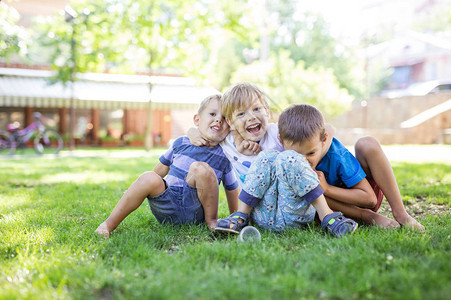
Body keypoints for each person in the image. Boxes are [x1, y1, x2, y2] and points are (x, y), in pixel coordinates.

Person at [190, 83, 358, 238]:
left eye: (256, 109)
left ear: (267, 112)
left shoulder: (278, 132)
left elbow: (327, 129)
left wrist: (308, 158)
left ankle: (327, 217)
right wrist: (192, 132)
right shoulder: (227, 142)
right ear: (230, 123)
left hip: (295, 209)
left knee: (280, 156)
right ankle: (241, 216)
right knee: (267, 157)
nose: (251, 117)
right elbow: (204, 132)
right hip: (261, 216)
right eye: (241, 114)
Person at [95, 95, 239, 237]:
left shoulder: (226, 154)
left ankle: (212, 222)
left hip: (196, 208)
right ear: (197, 119)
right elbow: (158, 171)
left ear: (230, 127)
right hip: (167, 204)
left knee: (199, 168)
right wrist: (138, 188)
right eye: (212, 114)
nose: (218, 119)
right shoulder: (181, 143)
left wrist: (235, 218)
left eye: (224, 118)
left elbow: (231, 189)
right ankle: (108, 224)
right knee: (148, 176)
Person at [276, 104, 425, 231]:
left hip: (359, 199)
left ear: (324, 140)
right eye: (296, 155)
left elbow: (370, 199)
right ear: (281, 143)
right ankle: (366, 217)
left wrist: (327, 188)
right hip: (326, 213)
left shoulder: (336, 154)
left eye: (311, 153)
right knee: (308, 183)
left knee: (367, 143)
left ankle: (400, 213)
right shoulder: (284, 158)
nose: (305, 161)